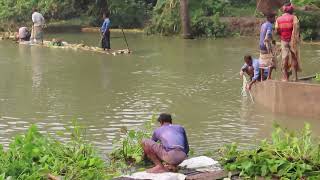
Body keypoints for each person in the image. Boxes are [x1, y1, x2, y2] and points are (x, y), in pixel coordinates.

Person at [275, 3, 301, 81]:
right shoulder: (294, 17)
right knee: (294, 58)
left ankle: (285, 78)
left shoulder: (278, 19)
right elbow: (297, 29)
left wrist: (282, 35)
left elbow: (277, 30)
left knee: (284, 58)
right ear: (291, 10)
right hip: (292, 41)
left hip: (284, 40)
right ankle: (295, 77)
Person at [259, 14, 276, 80]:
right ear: (270, 18)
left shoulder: (263, 25)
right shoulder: (270, 25)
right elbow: (268, 33)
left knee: (262, 61)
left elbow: (269, 34)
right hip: (265, 45)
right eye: (274, 18)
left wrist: (273, 40)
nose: (275, 19)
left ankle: (262, 77)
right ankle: (269, 77)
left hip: (261, 45)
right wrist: (267, 39)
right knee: (273, 60)